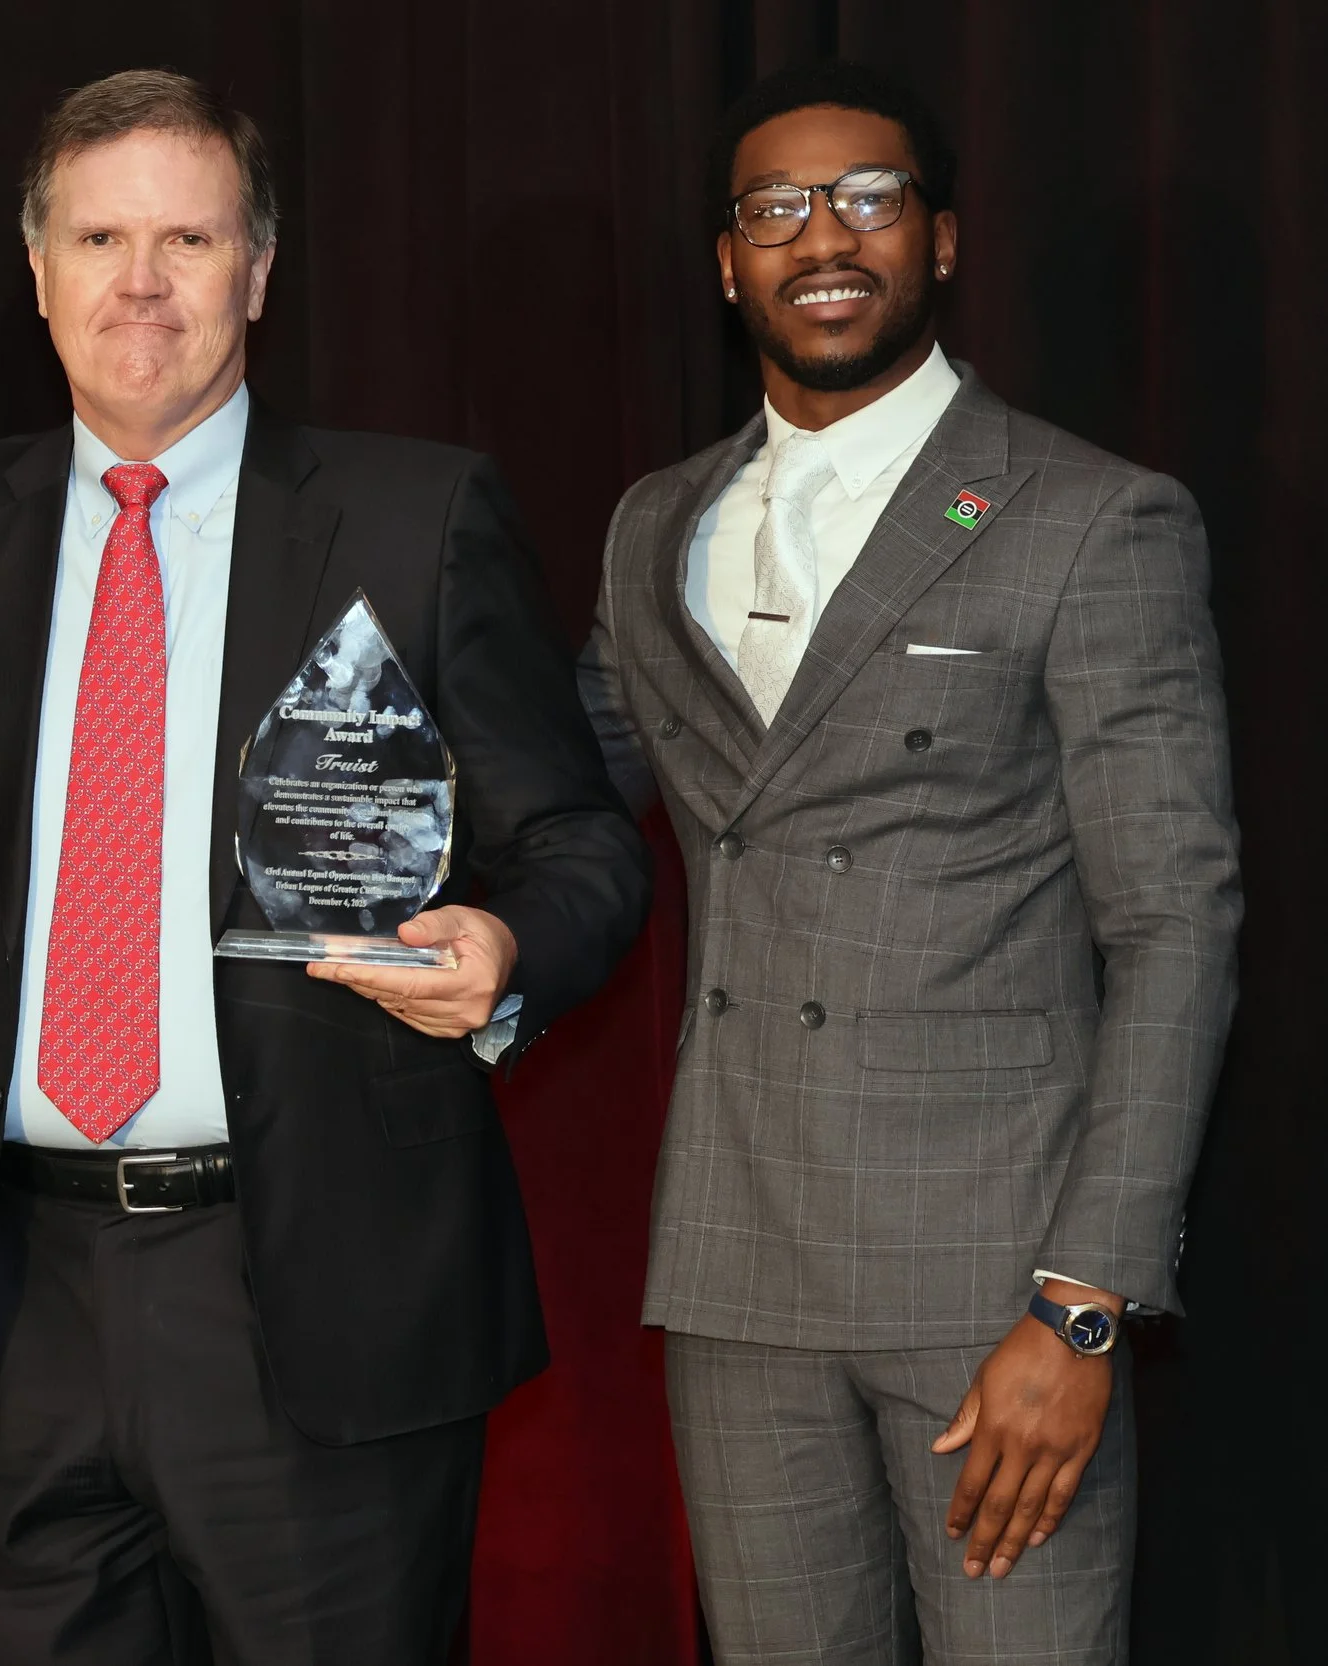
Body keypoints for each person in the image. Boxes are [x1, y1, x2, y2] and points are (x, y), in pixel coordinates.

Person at [0, 68, 650, 1666]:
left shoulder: (415, 518)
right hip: (8, 1314)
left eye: (189, 237)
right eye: (101, 237)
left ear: (258, 272)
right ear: (40, 272)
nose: (141, 281)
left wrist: (506, 944)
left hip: (311, 1303)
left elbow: (580, 842)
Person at [581, 61, 1240, 1664]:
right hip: (736, 1273)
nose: (826, 236)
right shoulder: (652, 528)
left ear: (940, 241)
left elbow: (1174, 921)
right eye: (776, 208)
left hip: (994, 1281)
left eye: (870, 198)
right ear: (725, 259)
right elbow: (565, 808)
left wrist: (1084, 1302)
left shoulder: (1090, 517)